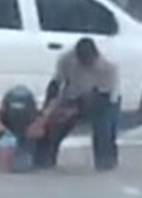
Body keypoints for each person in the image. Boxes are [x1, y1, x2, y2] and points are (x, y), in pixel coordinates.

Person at [27, 37, 121, 171]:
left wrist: (74, 111)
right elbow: (56, 85)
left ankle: (105, 160)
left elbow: (101, 98)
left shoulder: (109, 66)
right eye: (83, 61)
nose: (86, 65)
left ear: (95, 55)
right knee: (54, 124)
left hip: (103, 100)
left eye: (89, 62)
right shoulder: (66, 59)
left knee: (104, 128)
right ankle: (44, 158)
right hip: (72, 94)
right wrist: (45, 114)